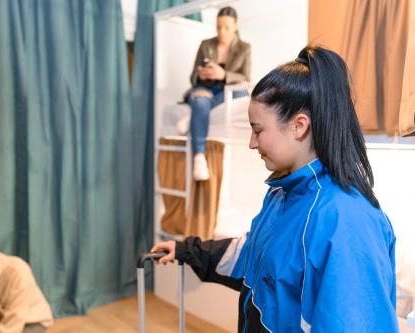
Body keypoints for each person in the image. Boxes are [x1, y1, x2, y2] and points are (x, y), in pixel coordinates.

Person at [152, 46, 398, 332]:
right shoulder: (282, 194)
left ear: (299, 126)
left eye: (258, 130)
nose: (252, 143)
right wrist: (187, 250)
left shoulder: (347, 220)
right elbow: (253, 253)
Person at [183, 6, 251, 181]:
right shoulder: (206, 45)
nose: (222, 31)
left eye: (226, 27)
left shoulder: (244, 48)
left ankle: (194, 115)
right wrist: (202, 74)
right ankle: (199, 156)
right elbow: (193, 77)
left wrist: (224, 75)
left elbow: (246, 79)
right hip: (206, 88)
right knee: (201, 100)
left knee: (239, 92)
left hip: (228, 91)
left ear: (235, 26)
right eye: (218, 27)